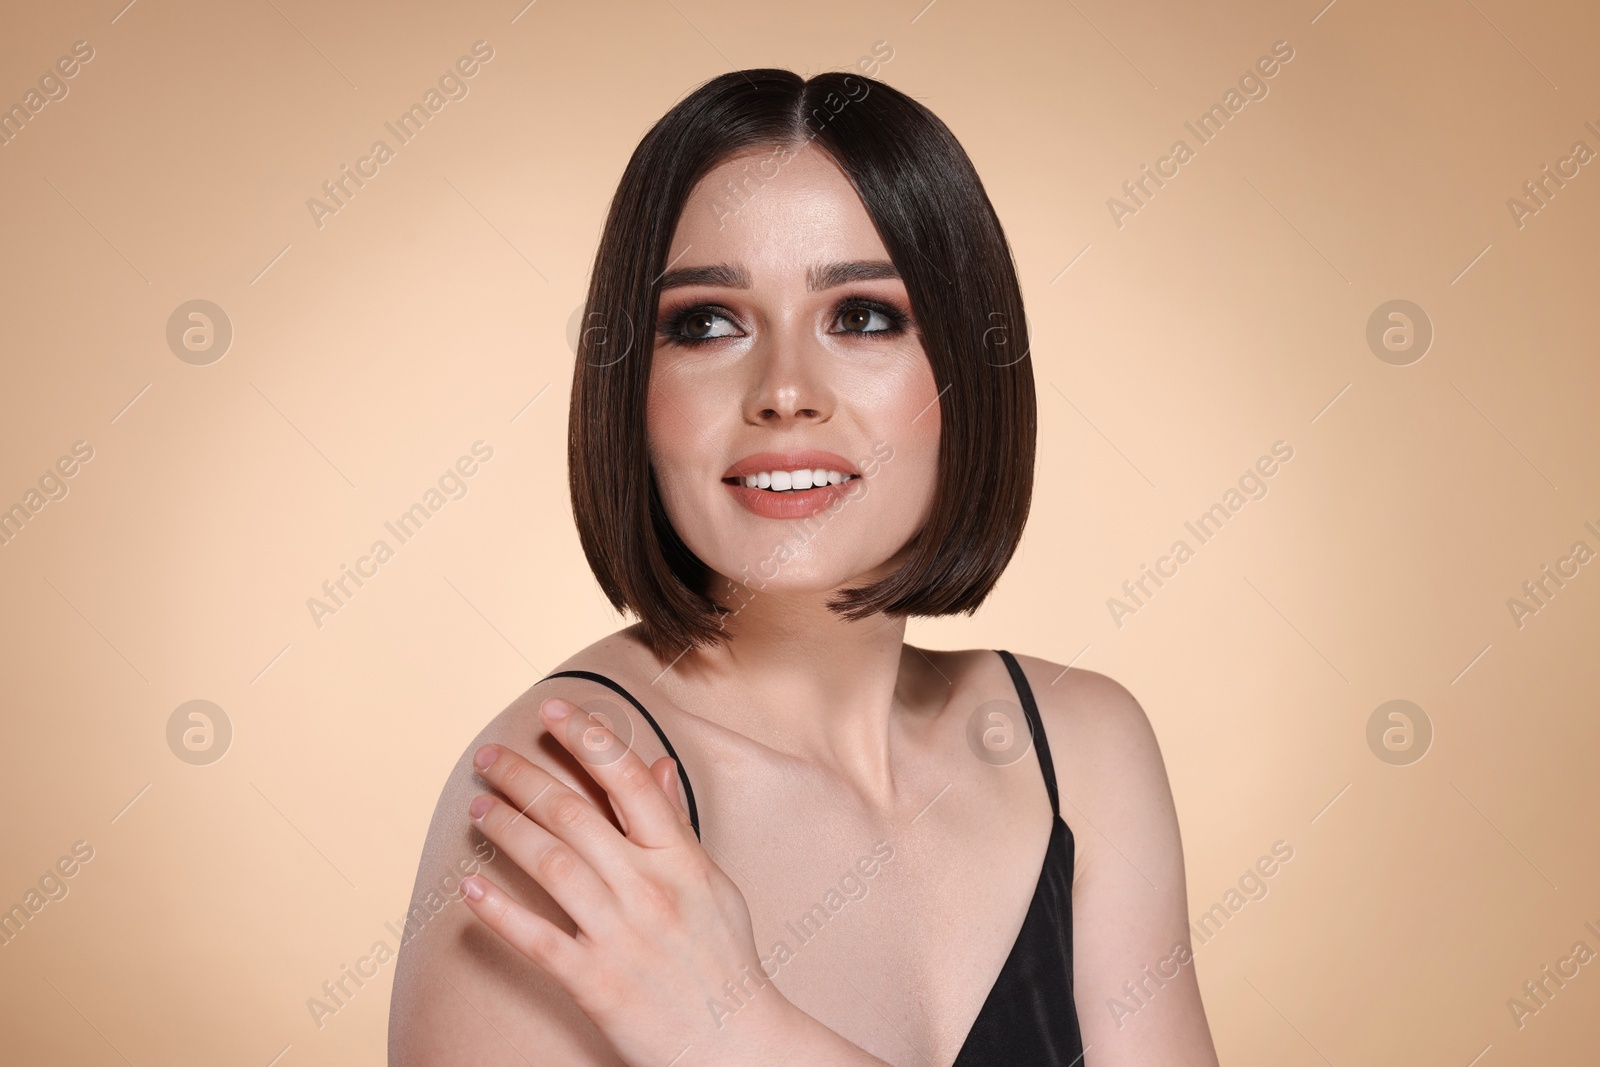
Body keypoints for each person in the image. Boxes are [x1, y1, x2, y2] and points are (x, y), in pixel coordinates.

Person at [389, 67, 1219, 1066]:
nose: (784, 389)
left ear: (965, 367)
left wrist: (741, 1033)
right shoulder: (570, 802)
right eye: (704, 322)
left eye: (862, 315)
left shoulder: (1083, 752)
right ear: (633, 389)